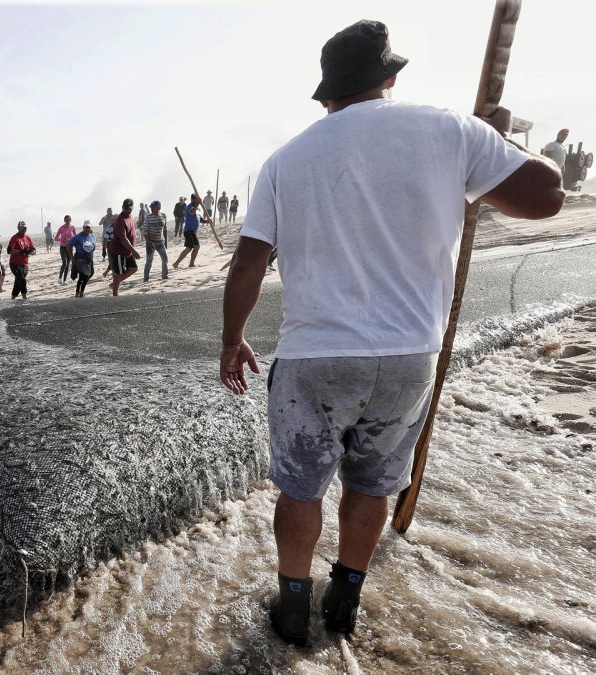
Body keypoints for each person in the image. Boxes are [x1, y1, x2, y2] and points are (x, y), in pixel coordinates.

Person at [218, 20, 563, 647]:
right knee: (374, 481)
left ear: (326, 95)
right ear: (390, 79)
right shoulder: (448, 129)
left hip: (315, 355)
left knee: (300, 489)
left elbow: (248, 262)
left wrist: (231, 339)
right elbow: (546, 196)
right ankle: (346, 595)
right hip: (408, 353)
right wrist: (497, 142)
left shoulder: (286, 159)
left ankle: (293, 603)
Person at [108, 198, 140, 296]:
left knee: (134, 268)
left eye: (129, 209)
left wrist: (131, 250)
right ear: (122, 207)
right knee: (118, 274)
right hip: (119, 251)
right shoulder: (120, 221)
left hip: (127, 250)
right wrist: (133, 250)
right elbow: (123, 238)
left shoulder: (130, 216)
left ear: (132, 208)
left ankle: (114, 284)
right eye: (125, 209)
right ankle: (115, 295)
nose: (127, 211)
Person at [173, 193, 206, 269]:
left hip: (193, 231)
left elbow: (200, 219)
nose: (195, 200)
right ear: (192, 199)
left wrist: (207, 221)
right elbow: (191, 213)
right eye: (194, 199)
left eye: (196, 199)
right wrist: (197, 204)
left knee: (189, 248)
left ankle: (176, 263)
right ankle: (191, 263)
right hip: (189, 230)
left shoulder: (197, 208)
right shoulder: (189, 207)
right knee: (196, 246)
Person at [140, 200, 169, 282]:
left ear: (159, 207)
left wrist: (166, 241)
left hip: (160, 241)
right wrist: (149, 243)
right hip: (150, 241)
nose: (152, 209)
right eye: (151, 208)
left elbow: (165, 229)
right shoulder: (148, 217)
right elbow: (145, 232)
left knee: (165, 259)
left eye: (154, 207)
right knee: (149, 260)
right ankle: (146, 278)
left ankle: (164, 275)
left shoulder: (163, 216)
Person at [68, 220, 99, 297]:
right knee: (84, 276)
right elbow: (68, 245)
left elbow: (93, 246)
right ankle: (79, 293)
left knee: (91, 273)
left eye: (89, 227)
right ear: (83, 227)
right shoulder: (78, 237)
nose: (87, 229)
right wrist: (71, 257)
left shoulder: (93, 236)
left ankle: (79, 292)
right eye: (86, 227)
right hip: (80, 258)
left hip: (89, 258)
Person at [8, 221, 36, 299]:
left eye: (25, 228)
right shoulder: (15, 238)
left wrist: (30, 251)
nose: (24, 229)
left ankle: (12, 299)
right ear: (18, 228)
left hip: (25, 264)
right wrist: (21, 251)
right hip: (15, 264)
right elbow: (9, 251)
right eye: (22, 228)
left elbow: (34, 250)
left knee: (18, 282)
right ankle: (25, 299)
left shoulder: (28, 238)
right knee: (22, 280)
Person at [54, 215, 77, 283]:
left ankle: (64, 280)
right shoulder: (61, 228)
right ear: (64, 220)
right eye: (66, 220)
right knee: (65, 263)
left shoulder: (73, 228)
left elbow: (75, 238)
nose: (67, 221)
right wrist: (63, 239)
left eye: (68, 220)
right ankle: (60, 278)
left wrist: (73, 241)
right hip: (63, 247)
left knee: (68, 264)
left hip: (70, 248)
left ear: (70, 220)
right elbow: (56, 238)